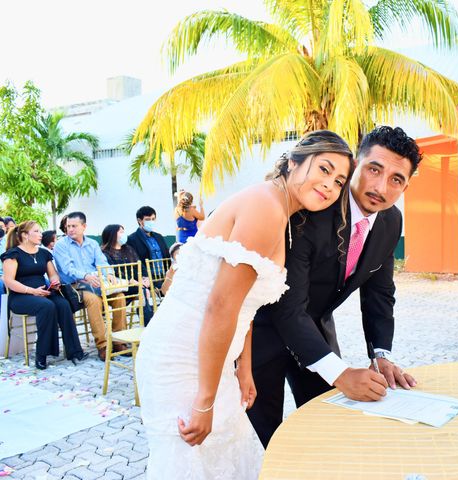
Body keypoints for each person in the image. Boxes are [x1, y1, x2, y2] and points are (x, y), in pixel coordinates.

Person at [136, 130, 355, 479]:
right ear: (293, 162)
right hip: (183, 357)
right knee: (193, 462)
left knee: (231, 459)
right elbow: (220, 307)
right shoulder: (265, 207)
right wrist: (204, 401)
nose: (330, 184)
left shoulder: (279, 212)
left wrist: (244, 367)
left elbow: (244, 304)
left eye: (340, 180)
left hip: (213, 356)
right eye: (324, 169)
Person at [249, 126, 422, 448]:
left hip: (315, 330)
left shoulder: (390, 220)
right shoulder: (311, 208)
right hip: (260, 332)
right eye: (374, 169)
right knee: (263, 438)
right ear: (356, 164)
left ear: (405, 186)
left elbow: (380, 293)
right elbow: (288, 306)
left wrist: (380, 354)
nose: (381, 187)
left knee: (328, 427)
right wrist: (341, 374)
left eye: (396, 179)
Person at [1, 221, 88, 369]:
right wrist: (32, 291)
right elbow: (8, 281)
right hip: (21, 296)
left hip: (44, 291)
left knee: (63, 304)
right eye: (36, 231)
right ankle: (41, 355)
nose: (41, 234)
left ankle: (74, 351)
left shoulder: (44, 253)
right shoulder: (13, 254)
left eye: (40, 231)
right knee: (46, 306)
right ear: (24, 235)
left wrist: (54, 283)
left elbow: (53, 275)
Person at [53, 212, 127, 362]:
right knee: (94, 300)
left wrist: (109, 274)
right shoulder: (61, 245)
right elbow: (67, 269)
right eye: (68, 226)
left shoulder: (92, 243)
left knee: (119, 297)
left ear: (84, 226)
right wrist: (86, 276)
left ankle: (119, 341)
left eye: (74, 226)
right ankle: (103, 345)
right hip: (75, 286)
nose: (70, 229)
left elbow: (102, 263)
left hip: (97, 282)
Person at [101, 224, 153, 326]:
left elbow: (140, 265)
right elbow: (115, 271)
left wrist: (145, 277)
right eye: (121, 232)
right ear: (112, 235)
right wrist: (132, 281)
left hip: (136, 283)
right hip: (120, 284)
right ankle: (148, 324)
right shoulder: (105, 253)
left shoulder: (128, 249)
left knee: (145, 290)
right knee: (143, 291)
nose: (124, 234)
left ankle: (147, 321)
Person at [126, 206, 171, 281]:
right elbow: (134, 261)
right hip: (148, 279)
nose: (151, 222)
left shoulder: (159, 237)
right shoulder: (132, 239)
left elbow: (166, 254)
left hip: (165, 276)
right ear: (139, 221)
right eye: (147, 219)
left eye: (153, 219)